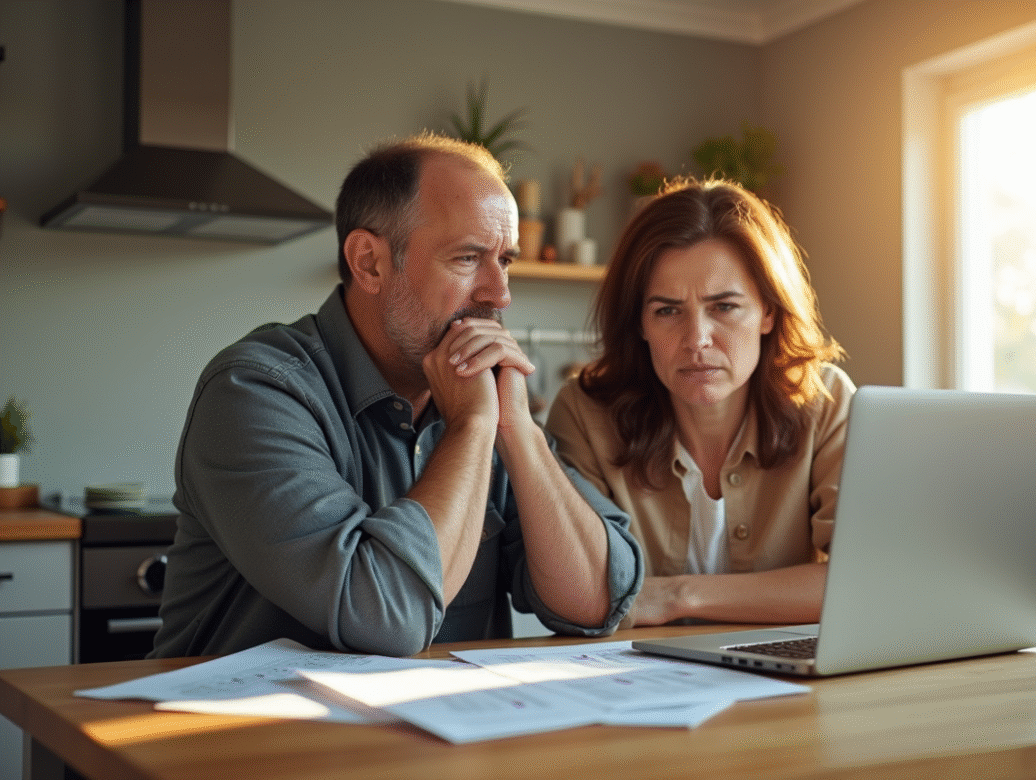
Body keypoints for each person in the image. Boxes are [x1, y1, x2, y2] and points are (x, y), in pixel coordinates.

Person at [151, 133, 642, 658]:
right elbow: (386, 620)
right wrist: (473, 429)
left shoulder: (486, 397)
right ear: (369, 263)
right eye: (467, 258)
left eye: (505, 261)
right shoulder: (254, 391)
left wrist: (518, 433)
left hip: (438, 711)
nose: (500, 295)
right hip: (243, 712)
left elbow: (596, 602)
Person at [545, 177, 853, 627]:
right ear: (639, 323)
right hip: (633, 670)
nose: (697, 340)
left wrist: (678, 596)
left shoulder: (826, 401)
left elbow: (861, 581)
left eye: (724, 307)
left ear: (768, 311)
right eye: (667, 311)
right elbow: (578, 593)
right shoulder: (583, 413)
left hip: (781, 669)